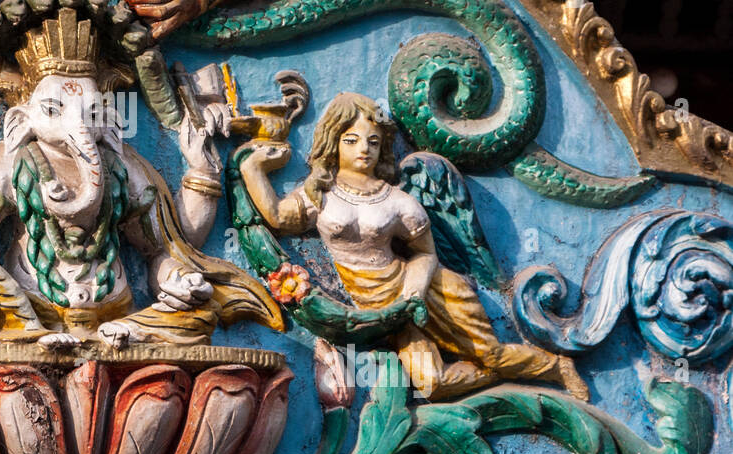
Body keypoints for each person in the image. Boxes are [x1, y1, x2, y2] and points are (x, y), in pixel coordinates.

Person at [238, 91, 589, 401]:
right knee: (432, 384)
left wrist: (413, 295)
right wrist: (253, 168)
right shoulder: (321, 195)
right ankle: (512, 373)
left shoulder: (398, 201)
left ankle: (555, 367)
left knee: (491, 352)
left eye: (373, 142)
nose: (364, 149)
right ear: (335, 141)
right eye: (352, 140)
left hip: (430, 292)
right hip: (379, 307)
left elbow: (424, 252)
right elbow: (278, 218)